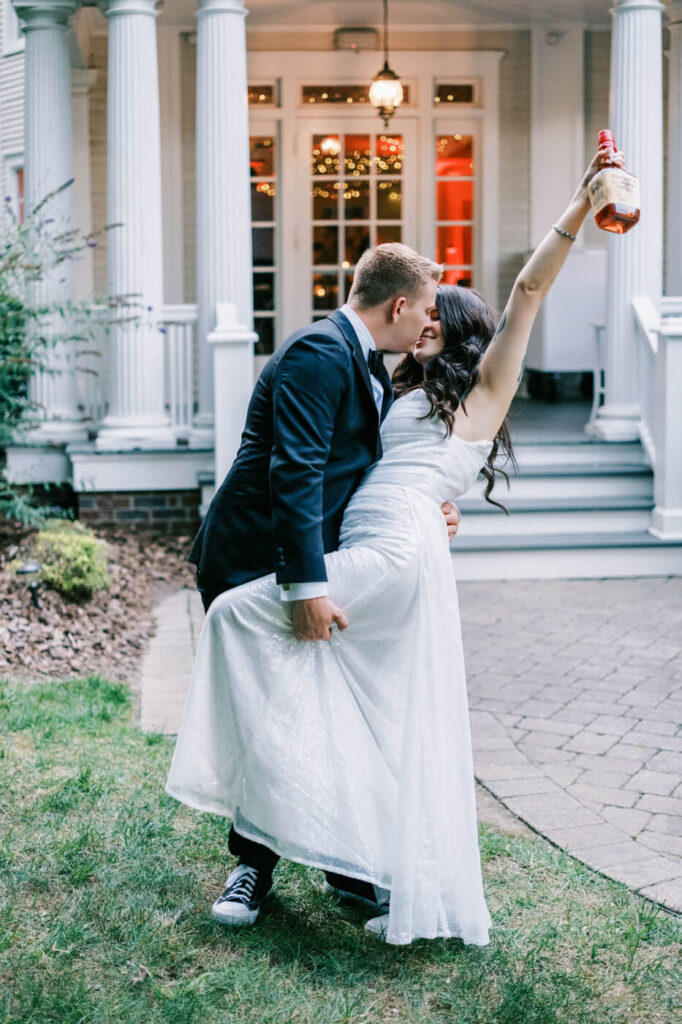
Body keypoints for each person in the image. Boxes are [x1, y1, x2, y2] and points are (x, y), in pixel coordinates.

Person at [166, 143, 627, 945]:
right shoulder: (381, 379)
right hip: (374, 542)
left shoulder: (484, 389)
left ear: (457, 332)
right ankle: (343, 859)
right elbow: (344, 467)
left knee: (243, 623)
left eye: (437, 314)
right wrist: (426, 506)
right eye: (420, 306)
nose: (424, 318)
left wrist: (581, 206)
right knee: (343, 704)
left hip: (384, 557)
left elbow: (527, 289)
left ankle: (316, 851)